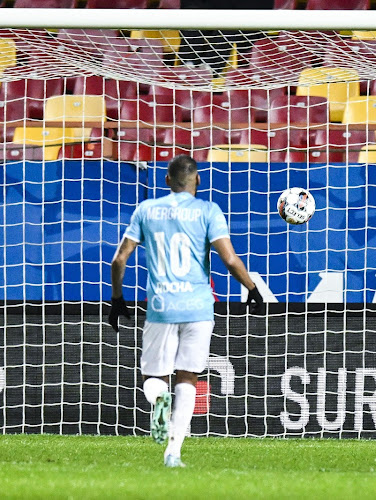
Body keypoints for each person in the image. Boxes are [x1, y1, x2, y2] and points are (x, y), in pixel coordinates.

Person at [108, 154, 264, 467]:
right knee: (188, 378)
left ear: (167, 180)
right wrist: (253, 289)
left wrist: (117, 298)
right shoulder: (209, 211)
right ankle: (173, 453)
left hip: (162, 306)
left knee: (155, 377)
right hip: (197, 307)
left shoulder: (147, 209)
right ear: (198, 181)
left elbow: (119, 259)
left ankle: (159, 402)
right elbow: (230, 260)